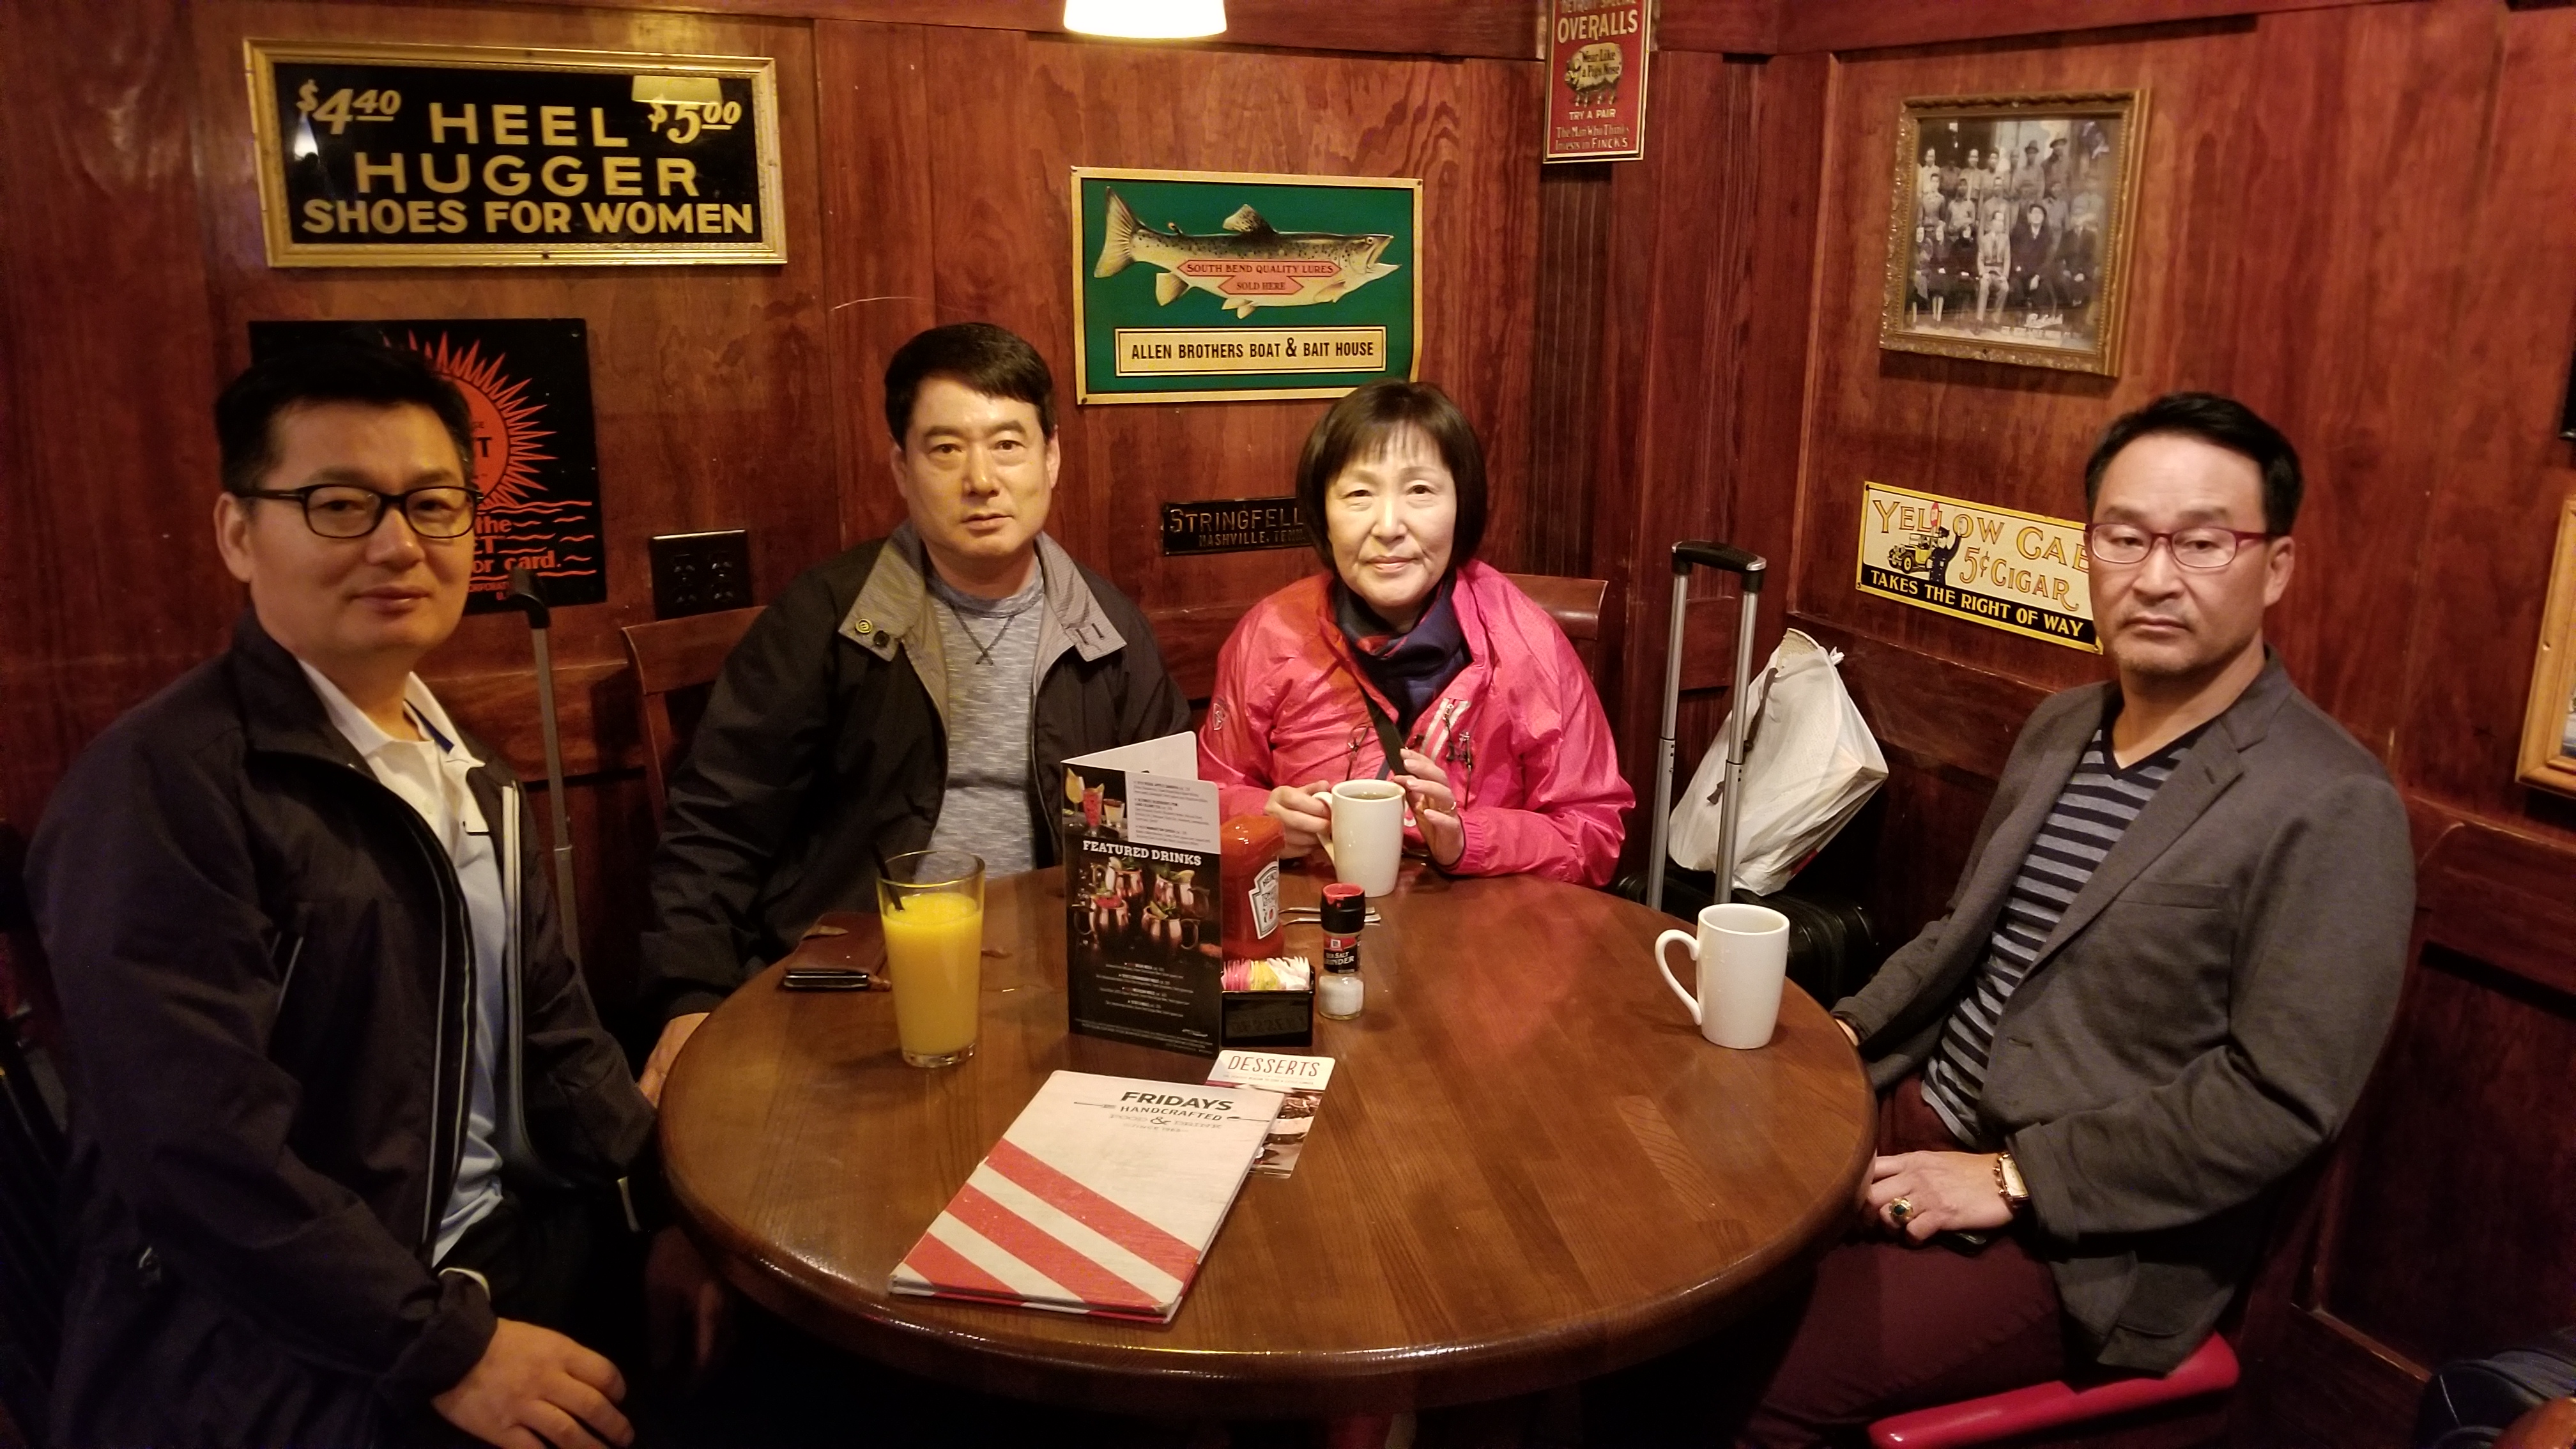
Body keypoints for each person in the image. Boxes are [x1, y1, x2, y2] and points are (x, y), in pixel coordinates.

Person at [1603, 392, 2411, 1447]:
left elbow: (2279, 1099)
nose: (2155, 575)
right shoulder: (2064, 725)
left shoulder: (2330, 802)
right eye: (2125, 537)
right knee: (1636, 1254)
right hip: (1914, 1111)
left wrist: (2015, 1177)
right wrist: (1826, 1042)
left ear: (2276, 566)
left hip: (2086, 1234)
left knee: (1745, 1387)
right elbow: (1956, 936)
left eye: (2203, 542)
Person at [24, 341, 695, 1447]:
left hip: (496, 1254)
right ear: (238, 533)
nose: (398, 544)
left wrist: (670, 1219)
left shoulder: (465, 764)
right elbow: (199, 1157)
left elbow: (558, 1036)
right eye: (339, 504)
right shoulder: (163, 790)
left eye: (433, 504)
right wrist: (445, 1346)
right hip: (289, 1342)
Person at [636, 323, 1189, 1100]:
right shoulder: (826, 619)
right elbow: (717, 825)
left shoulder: (1109, 629)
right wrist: (689, 998)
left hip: (1050, 990)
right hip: (849, 990)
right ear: (901, 467)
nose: (981, 480)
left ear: (1051, 458)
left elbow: (1162, 840)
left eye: (1008, 444)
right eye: (945, 449)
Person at [1195, 379, 1630, 886]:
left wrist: (1468, 839)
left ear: (1461, 505)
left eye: (1420, 491)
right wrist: (1261, 819)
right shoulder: (1270, 635)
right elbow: (1209, 793)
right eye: (1359, 494)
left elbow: (1593, 831)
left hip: (1484, 925)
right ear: (1322, 514)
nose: (1388, 526)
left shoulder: (1528, 644)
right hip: (1313, 919)